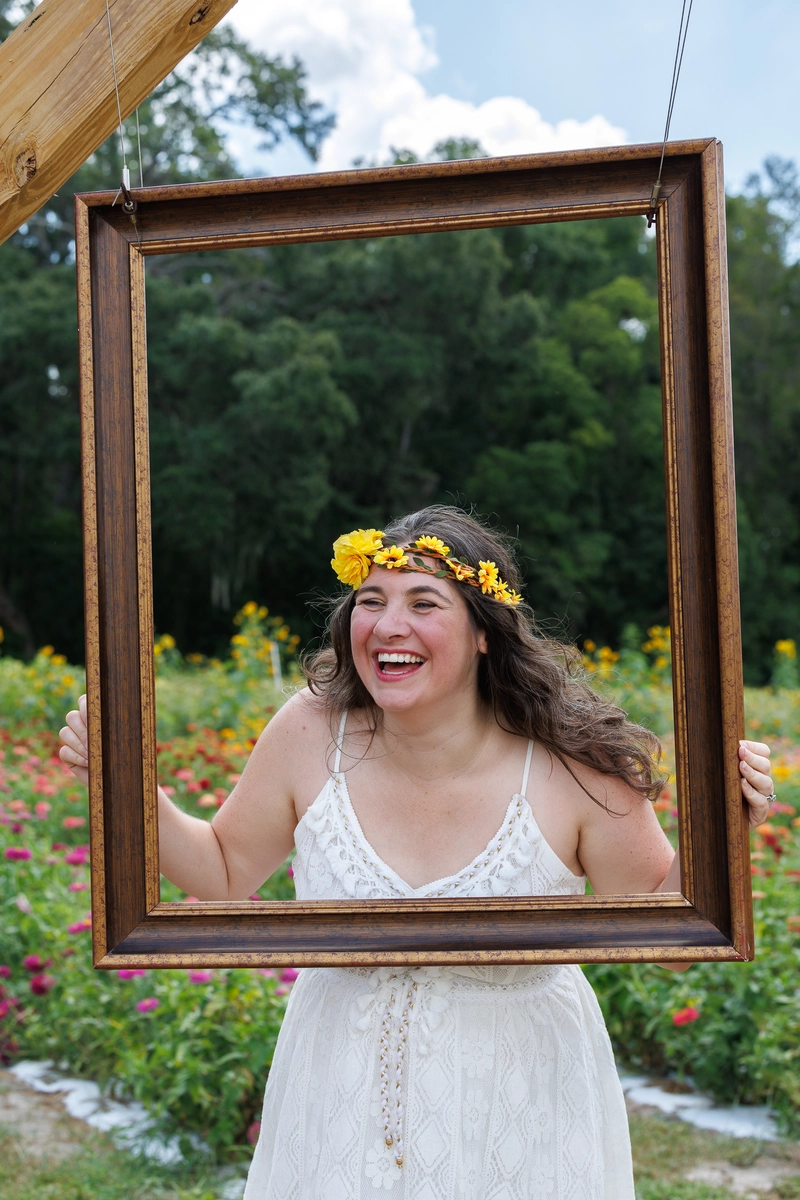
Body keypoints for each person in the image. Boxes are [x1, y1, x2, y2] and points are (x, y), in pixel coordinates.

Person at [59, 505, 774, 1200]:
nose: (387, 625)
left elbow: (670, 937)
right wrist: (123, 785)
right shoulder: (309, 733)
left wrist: (726, 823)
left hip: (519, 1108)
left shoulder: (572, 765)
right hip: (337, 1089)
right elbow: (219, 872)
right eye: (370, 601)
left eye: (423, 603)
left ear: (485, 633)